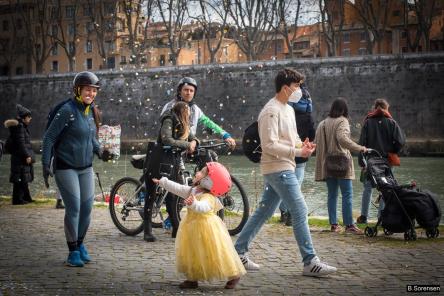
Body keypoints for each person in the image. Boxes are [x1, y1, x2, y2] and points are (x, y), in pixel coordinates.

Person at [234, 68, 337, 277]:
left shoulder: (288, 109)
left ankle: (238, 252)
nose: (299, 89)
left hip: (283, 166)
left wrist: (303, 145)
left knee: (264, 211)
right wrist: (297, 151)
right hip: (278, 168)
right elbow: (269, 145)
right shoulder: (270, 111)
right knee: (299, 210)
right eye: (297, 85)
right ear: (285, 88)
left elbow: (290, 138)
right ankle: (310, 261)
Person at [42, 71, 112, 267]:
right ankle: (72, 251)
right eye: (87, 90)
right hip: (66, 167)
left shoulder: (90, 112)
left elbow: (91, 138)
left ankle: (80, 244)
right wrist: (45, 164)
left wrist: (101, 151)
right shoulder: (67, 110)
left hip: (85, 167)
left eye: (94, 90)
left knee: (87, 209)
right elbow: (49, 138)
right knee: (74, 208)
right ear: (77, 90)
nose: (91, 93)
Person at [153, 162, 246, 289]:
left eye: (202, 172)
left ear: (208, 181)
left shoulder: (209, 197)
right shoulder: (194, 190)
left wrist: (193, 203)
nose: (197, 173)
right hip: (192, 228)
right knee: (193, 253)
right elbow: (179, 189)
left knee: (216, 253)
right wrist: (163, 182)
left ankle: (233, 274)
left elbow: (203, 208)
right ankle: (192, 278)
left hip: (207, 229)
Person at [143, 101, 199, 240]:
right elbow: (166, 139)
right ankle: (147, 231)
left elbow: (193, 138)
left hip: (172, 162)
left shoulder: (183, 123)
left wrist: (194, 142)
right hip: (158, 161)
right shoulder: (169, 119)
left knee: (172, 195)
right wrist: (187, 144)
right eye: (188, 113)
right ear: (182, 112)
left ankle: (176, 228)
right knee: (151, 195)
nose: (189, 115)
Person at [314, 98, 367, 234]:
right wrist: (359, 148)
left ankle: (334, 224)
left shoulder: (322, 123)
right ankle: (349, 225)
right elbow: (342, 139)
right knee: (347, 194)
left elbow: (317, 144)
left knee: (332, 195)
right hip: (342, 163)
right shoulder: (342, 121)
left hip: (328, 164)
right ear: (343, 110)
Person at [357, 98, 405, 224]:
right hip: (386, 161)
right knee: (386, 188)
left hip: (371, 160)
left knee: (367, 188)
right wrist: (393, 151)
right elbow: (401, 141)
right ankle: (382, 217)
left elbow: (362, 143)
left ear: (375, 108)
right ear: (385, 108)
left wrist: (362, 161)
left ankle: (363, 217)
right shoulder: (391, 122)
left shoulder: (368, 123)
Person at [278, 81, 316, 226]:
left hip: (285, 152)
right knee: (296, 185)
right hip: (301, 154)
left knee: (285, 183)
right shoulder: (308, 116)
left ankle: (284, 211)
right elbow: (312, 132)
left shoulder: (285, 112)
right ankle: (290, 214)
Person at [161, 77, 236, 147]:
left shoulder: (195, 109)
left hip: (190, 145)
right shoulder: (170, 106)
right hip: (173, 147)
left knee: (210, 156)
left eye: (191, 91)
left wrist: (225, 135)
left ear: (194, 93)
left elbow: (208, 123)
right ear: (179, 91)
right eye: (186, 90)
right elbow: (166, 130)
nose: (188, 93)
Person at [4, 104, 35, 205]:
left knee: (23, 177)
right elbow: (21, 144)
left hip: (19, 157)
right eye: (29, 116)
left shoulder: (22, 127)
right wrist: (27, 156)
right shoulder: (19, 127)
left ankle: (26, 197)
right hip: (20, 157)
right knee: (19, 178)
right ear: (24, 117)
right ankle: (17, 200)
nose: (30, 118)